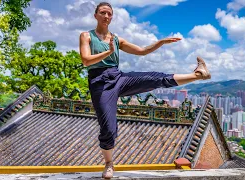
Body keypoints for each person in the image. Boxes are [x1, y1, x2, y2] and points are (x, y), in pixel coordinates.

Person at [79, 2, 211, 179]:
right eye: (102, 13)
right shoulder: (87, 36)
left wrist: (160, 42)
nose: (106, 16)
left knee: (156, 78)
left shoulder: (116, 39)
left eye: (109, 14)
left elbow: (141, 51)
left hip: (118, 77)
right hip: (99, 82)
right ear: (96, 15)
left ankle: (198, 74)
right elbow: (86, 60)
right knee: (108, 128)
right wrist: (109, 51)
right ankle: (109, 163)